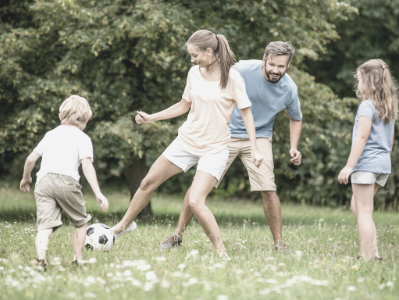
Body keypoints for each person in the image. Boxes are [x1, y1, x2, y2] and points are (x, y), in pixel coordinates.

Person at [111, 30, 263, 257]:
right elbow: (183, 106)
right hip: (186, 141)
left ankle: (221, 251)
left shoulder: (232, 78)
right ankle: (123, 225)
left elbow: (247, 114)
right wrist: (151, 117)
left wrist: (255, 148)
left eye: (195, 55)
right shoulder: (194, 73)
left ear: (209, 51)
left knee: (195, 201)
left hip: (215, 148)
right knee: (147, 182)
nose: (193, 60)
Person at [160, 41, 303, 252]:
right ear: (264, 59)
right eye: (272, 64)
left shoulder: (289, 88)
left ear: (288, 65)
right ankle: (177, 234)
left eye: (281, 66)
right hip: (224, 132)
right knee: (197, 188)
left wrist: (294, 146)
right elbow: (213, 76)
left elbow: (296, 117)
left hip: (260, 136)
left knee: (268, 188)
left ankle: (279, 243)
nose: (275, 70)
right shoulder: (243, 69)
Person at [19, 95, 109, 267]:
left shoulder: (50, 134)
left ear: (60, 116)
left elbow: (30, 159)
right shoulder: (83, 138)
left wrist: (26, 177)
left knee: (44, 226)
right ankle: (77, 259)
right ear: (87, 119)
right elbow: (87, 166)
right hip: (67, 183)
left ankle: (41, 259)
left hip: (44, 183)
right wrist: (98, 192)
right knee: (81, 223)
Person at [338, 59, 399, 261]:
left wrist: (349, 166)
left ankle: (367, 257)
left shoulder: (367, 106)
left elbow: (361, 137)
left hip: (366, 165)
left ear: (367, 81)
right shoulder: (388, 105)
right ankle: (374, 253)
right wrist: (382, 160)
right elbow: (389, 141)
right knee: (357, 206)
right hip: (382, 165)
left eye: (359, 79)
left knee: (363, 210)